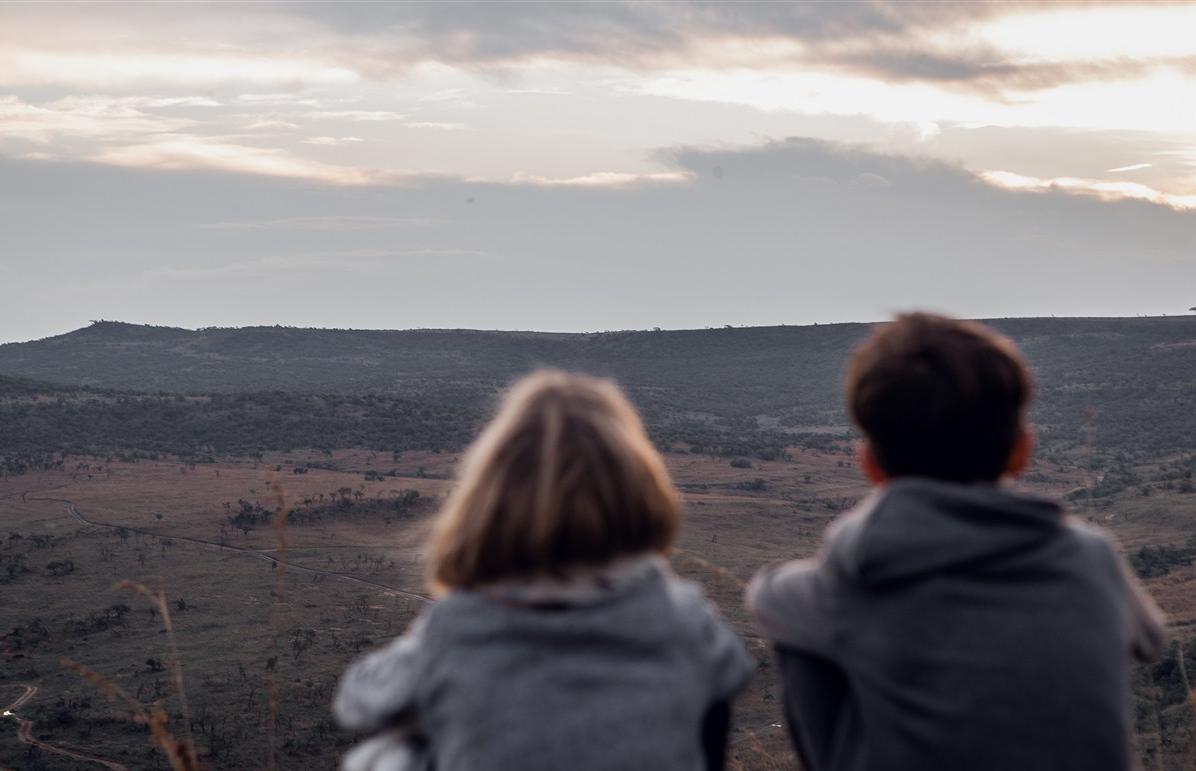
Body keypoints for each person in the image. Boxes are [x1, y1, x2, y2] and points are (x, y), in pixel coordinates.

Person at [747, 313, 1166, 771]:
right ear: (1022, 451)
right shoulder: (1088, 555)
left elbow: (767, 600)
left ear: (869, 464)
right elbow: (1149, 640)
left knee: (801, 642)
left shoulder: (848, 585)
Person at [335, 371, 754, 771]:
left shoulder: (457, 628)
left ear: (489, 500)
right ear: (637, 490)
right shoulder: (684, 621)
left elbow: (359, 702)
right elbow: (729, 677)